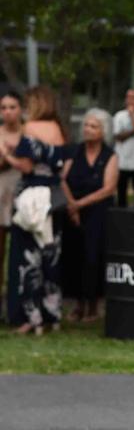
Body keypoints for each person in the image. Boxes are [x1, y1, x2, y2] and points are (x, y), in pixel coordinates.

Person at [1, 85, 67, 333]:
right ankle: (54, 314)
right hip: (53, 198)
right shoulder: (58, 130)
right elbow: (62, 165)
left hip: (32, 197)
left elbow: (27, 167)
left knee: (27, 258)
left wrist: (7, 156)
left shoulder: (31, 129)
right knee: (52, 254)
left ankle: (31, 317)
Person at [61, 109, 118, 321]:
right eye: (86, 125)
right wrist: (72, 206)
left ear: (103, 131)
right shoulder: (74, 151)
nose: (87, 129)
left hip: (97, 213)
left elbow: (109, 188)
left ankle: (93, 304)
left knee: (94, 256)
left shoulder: (110, 155)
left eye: (93, 126)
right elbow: (62, 179)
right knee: (74, 256)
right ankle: (77, 304)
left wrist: (79, 204)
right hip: (73, 213)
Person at [0, 89, 23, 313]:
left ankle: (16, 306)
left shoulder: (28, 134)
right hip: (0, 195)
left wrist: (8, 155)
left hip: (21, 197)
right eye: (3, 108)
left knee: (18, 254)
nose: (7, 112)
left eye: (12, 107)